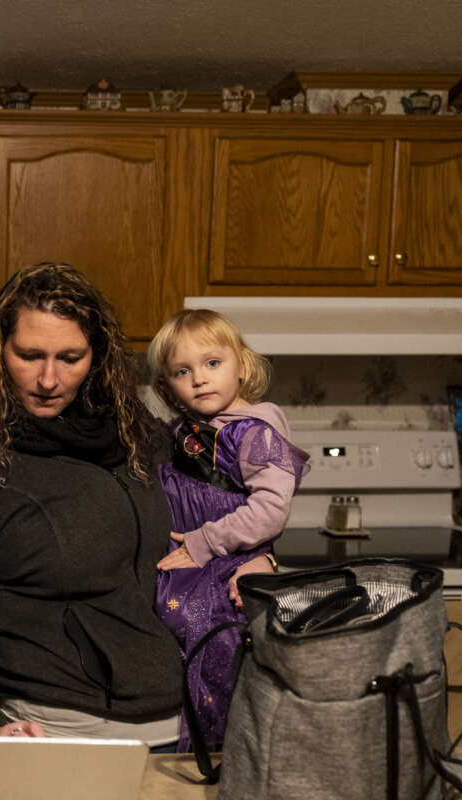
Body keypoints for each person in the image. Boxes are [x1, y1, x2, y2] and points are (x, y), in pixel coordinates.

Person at [0, 262, 185, 747]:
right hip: (59, 735)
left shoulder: (135, 435)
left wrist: (252, 552)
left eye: (70, 357)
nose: (48, 379)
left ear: (97, 357)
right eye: (29, 355)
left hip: (184, 728)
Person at [148, 308, 310, 751]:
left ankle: (221, 748)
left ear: (242, 364)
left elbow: (272, 510)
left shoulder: (256, 430)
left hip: (225, 559)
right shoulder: (179, 430)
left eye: (212, 364)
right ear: (167, 386)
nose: (200, 379)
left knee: (213, 643)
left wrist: (206, 542)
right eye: (183, 371)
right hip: (183, 561)